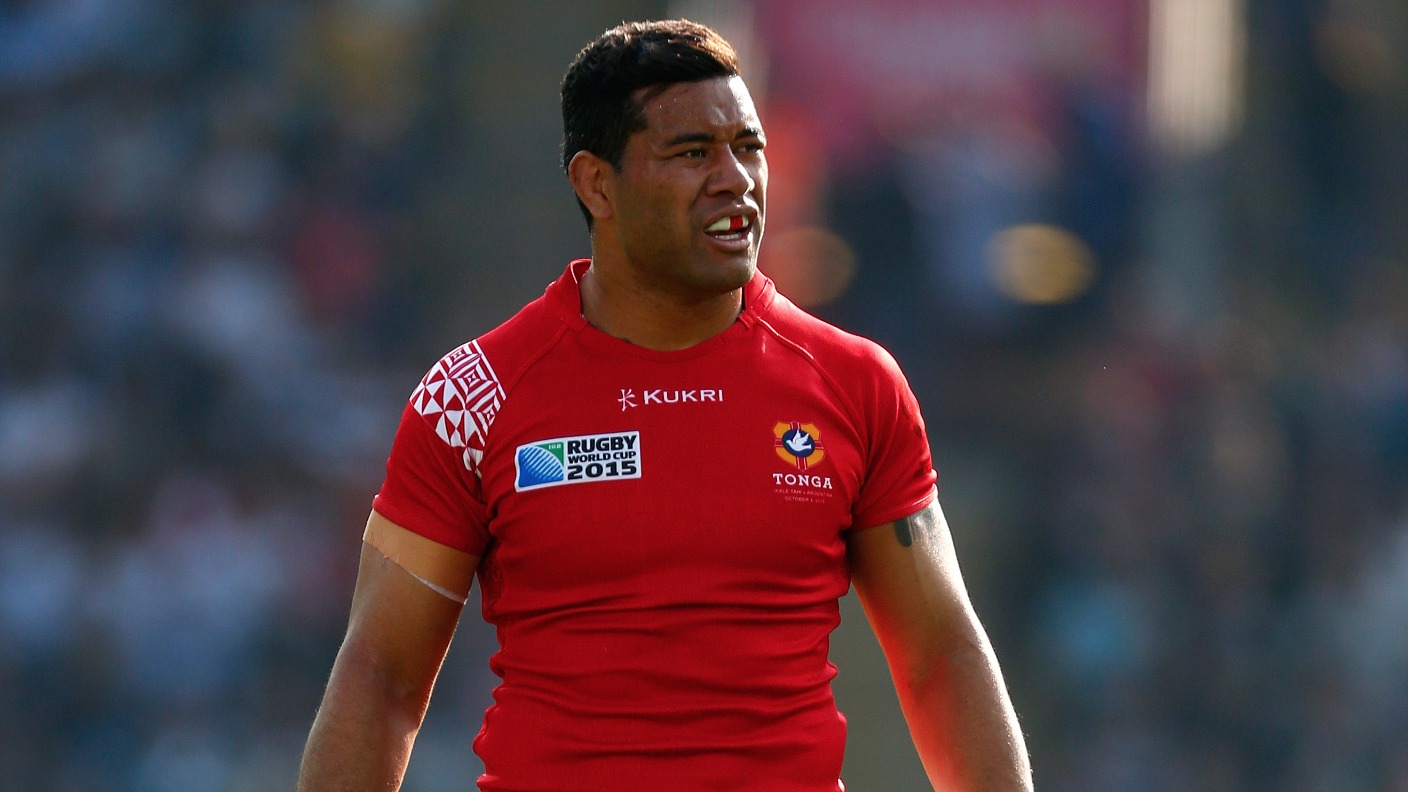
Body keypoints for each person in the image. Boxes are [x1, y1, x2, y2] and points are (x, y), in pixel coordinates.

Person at [298, 18, 1032, 792]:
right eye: (692, 153)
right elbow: (380, 674)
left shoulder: (856, 384)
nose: (735, 179)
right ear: (596, 184)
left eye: (748, 147)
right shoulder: (472, 397)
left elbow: (941, 654)